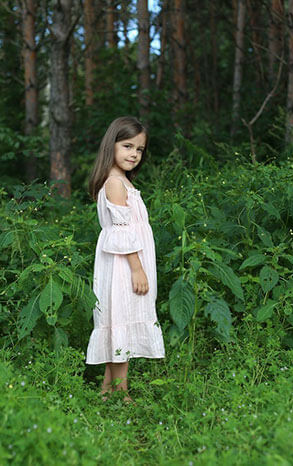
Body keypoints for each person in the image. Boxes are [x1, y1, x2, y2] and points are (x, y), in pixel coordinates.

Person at [85, 116, 165, 402]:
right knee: (120, 321)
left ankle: (108, 391)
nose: (134, 154)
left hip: (128, 262)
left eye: (140, 149)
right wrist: (137, 269)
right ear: (112, 146)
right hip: (123, 265)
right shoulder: (115, 184)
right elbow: (121, 233)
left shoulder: (124, 182)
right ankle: (121, 392)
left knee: (123, 320)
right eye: (127, 146)